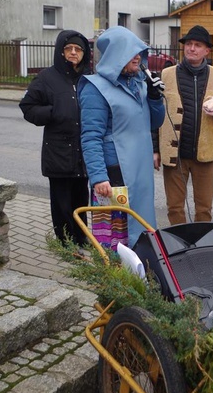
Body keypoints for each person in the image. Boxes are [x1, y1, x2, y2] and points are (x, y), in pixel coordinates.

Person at [78, 26, 166, 248]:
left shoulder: (139, 84)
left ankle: (140, 274)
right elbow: (90, 137)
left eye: (139, 51)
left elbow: (154, 123)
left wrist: (155, 98)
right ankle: (114, 278)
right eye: (131, 52)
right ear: (117, 55)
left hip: (139, 169)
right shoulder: (95, 88)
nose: (138, 56)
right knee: (114, 234)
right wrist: (98, 177)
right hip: (113, 173)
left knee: (141, 223)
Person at [154, 25, 213, 225]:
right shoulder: (166, 74)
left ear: (206, 50)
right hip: (175, 155)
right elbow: (155, 115)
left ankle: (201, 248)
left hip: (205, 156)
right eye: (188, 44)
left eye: (197, 45)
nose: (192, 48)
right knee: (174, 207)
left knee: (204, 209)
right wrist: (155, 150)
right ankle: (180, 248)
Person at [20, 30, 92, 249]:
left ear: (84, 54)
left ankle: (82, 238)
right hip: (58, 152)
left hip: (83, 151)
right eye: (68, 48)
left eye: (78, 49)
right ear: (61, 52)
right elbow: (28, 107)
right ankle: (66, 243)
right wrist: (53, 112)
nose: (73, 53)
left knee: (81, 198)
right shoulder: (46, 78)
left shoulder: (88, 78)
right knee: (61, 203)